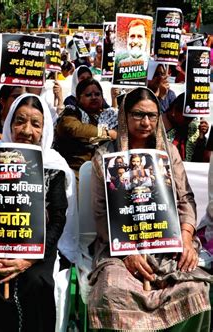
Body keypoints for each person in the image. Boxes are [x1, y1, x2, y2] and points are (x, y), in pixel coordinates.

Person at [88, 87, 212, 330]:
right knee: (111, 292)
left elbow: (185, 199)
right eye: (138, 115)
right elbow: (102, 214)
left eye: (152, 115)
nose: (146, 122)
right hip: (119, 249)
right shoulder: (104, 156)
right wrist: (127, 253)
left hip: (169, 243)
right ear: (124, 116)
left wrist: (186, 239)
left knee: (196, 289)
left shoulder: (169, 153)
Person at [0, 93, 74, 331]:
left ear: (45, 128)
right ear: (9, 123)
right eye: (19, 121)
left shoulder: (53, 164)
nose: (26, 130)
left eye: (35, 124)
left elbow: (58, 218)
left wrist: (27, 259)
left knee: (36, 282)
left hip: (34, 251)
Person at [55, 78, 118, 175]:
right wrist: (106, 133)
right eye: (88, 95)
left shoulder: (111, 116)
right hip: (76, 172)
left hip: (106, 174)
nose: (94, 97)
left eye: (97, 94)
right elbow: (72, 128)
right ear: (78, 98)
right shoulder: (72, 112)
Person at [162, 93, 210, 162]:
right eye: (187, 118)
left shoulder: (193, 127)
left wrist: (201, 137)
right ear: (174, 110)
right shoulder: (159, 124)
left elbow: (197, 160)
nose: (190, 122)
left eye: (192, 118)